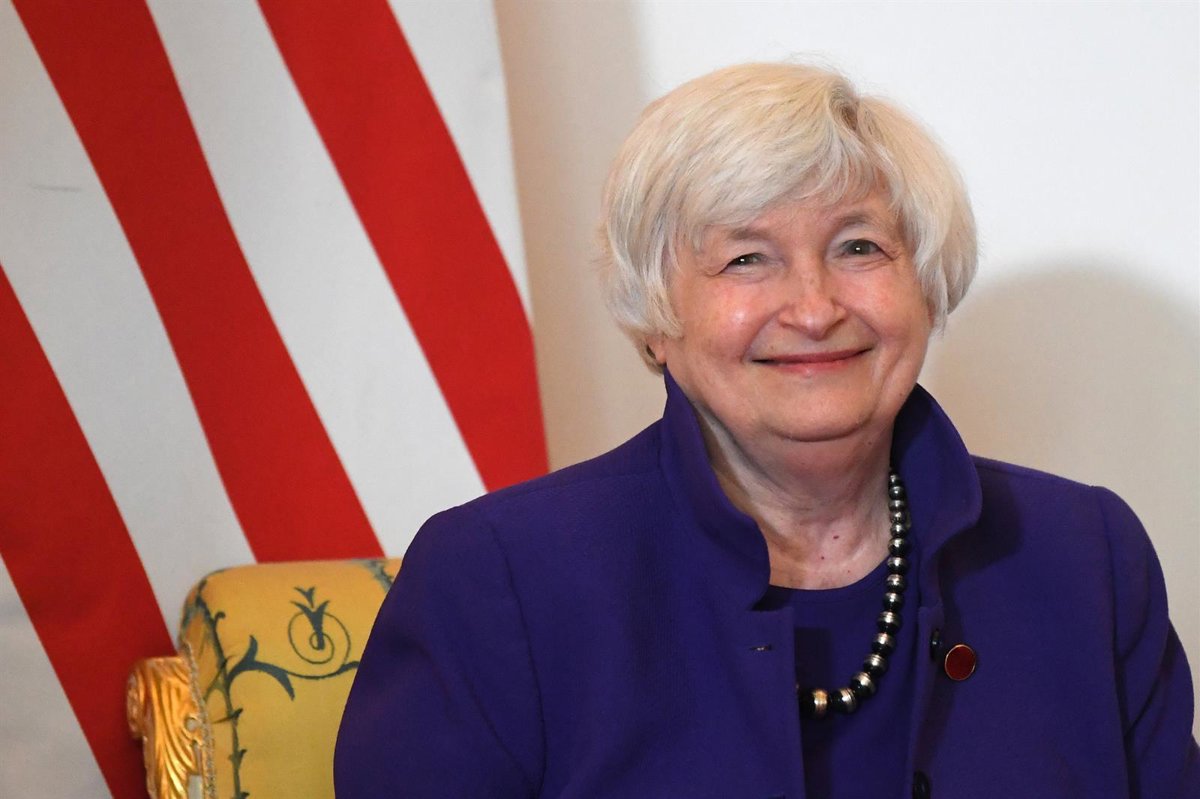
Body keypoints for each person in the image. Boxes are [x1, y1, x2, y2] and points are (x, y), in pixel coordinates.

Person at [334, 62, 1198, 798]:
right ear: (656, 316)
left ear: (927, 286)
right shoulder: (499, 581)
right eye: (747, 258)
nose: (815, 309)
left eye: (859, 247)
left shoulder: (1083, 554)